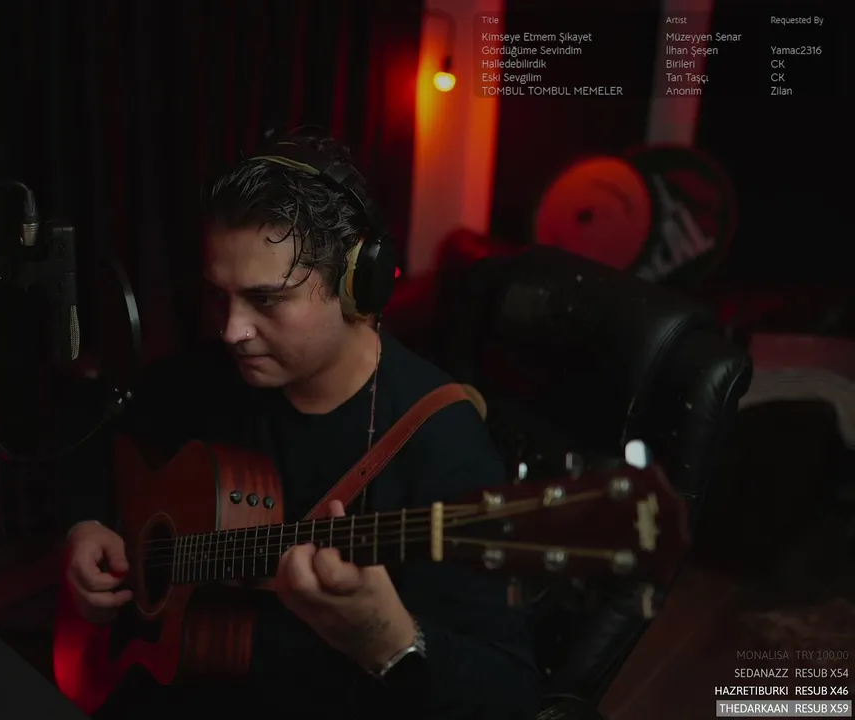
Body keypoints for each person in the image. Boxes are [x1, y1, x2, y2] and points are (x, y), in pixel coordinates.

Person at [63, 130, 541, 719]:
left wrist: (395, 642)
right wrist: (86, 524)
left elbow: (512, 695)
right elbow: (103, 436)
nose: (231, 329)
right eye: (219, 296)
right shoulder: (207, 374)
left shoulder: (444, 443)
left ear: (356, 284)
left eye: (267, 300)